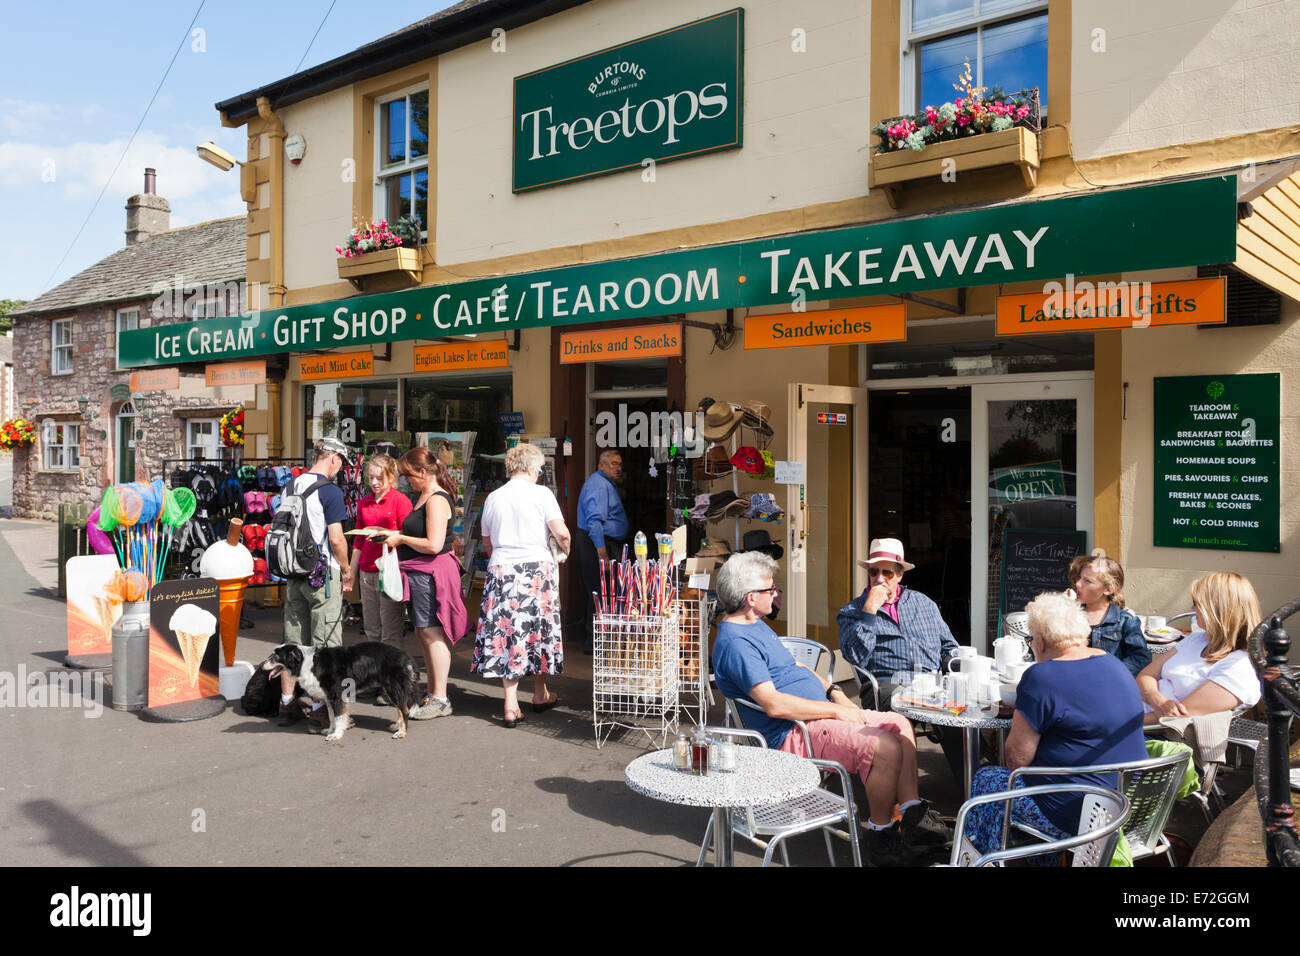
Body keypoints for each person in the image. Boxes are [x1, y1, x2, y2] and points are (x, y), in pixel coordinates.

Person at [712, 551, 950, 866]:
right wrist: (836, 712)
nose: (776, 594)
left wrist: (835, 692)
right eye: (771, 589)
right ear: (751, 598)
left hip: (817, 715)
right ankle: (881, 836)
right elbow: (774, 705)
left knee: (899, 725)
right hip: (792, 733)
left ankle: (912, 818)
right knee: (886, 746)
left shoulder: (754, 624)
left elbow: (794, 665)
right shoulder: (736, 644)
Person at [964, 591, 1147, 859]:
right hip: (1128, 807)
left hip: (1080, 817)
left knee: (989, 780)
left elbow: (1017, 759)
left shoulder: (1042, 676)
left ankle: (983, 859)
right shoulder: (1114, 664)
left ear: (1038, 641)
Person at [836, 537, 964, 782]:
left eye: (887, 572)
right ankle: (908, 800)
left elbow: (949, 646)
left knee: (961, 714)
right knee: (901, 710)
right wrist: (870, 610)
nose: (880, 578)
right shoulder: (853, 611)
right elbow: (856, 656)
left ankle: (974, 792)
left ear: (900, 575)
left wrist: (961, 667)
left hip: (932, 684)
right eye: (874, 571)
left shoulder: (923, 603)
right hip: (888, 685)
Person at [471, 443, 571, 726]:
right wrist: (566, 550)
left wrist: (502, 561)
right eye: (538, 468)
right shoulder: (542, 494)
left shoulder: (493, 497)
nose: (539, 473)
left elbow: (487, 541)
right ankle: (539, 693)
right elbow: (561, 533)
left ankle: (511, 702)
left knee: (508, 634)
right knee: (538, 631)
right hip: (536, 570)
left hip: (502, 569)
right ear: (529, 468)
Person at [380, 447, 467, 718]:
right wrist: (391, 534)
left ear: (423, 472)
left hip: (430, 573)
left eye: (409, 475)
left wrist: (401, 539)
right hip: (419, 573)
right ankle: (432, 693)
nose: (406, 481)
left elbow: (434, 544)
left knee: (431, 632)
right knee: (423, 632)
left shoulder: (436, 499)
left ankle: (440, 699)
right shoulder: (424, 496)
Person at [276, 436, 355, 733]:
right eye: (341, 464)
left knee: (294, 643)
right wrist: (346, 570)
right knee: (327, 646)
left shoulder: (289, 487)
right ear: (333, 459)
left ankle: (286, 702)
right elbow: (336, 538)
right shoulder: (330, 492)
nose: (340, 470)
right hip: (322, 576)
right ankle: (327, 711)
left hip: (293, 575)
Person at [1136, 571, 1263, 725]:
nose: (1192, 608)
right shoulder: (1197, 640)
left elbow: (1176, 720)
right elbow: (1145, 675)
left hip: (1151, 734)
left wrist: (1115, 725)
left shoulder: (1239, 667)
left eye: (1197, 603)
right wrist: (1158, 700)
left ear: (1218, 610)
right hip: (1133, 711)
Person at [348, 454, 412, 648]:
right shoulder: (364, 502)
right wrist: (351, 572)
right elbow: (358, 541)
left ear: (391, 477)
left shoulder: (400, 501)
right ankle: (373, 672)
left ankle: (392, 674)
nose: (374, 483)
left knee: (390, 629)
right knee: (371, 628)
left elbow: (409, 534)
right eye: (371, 478)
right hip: (367, 569)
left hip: (390, 569)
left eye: (379, 478)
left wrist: (388, 533)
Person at [574, 449, 627, 652]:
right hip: (596, 544)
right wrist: (602, 552)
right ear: (601, 465)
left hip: (599, 542)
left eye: (620, 464)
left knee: (600, 591)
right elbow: (594, 521)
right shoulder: (598, 485)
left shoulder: (605, 484)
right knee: (598, 592)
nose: (618, 468)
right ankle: (595, 643)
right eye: (614, 464)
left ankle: (598, 640)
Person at [1068, 553, 1150, 676]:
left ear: (1108, 589)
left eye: (1088, 581)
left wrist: (1111, 674)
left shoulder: (1125, 621)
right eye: (1079, 578)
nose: (1078, 584)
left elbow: (1140, 658)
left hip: (1107, 686)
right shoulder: (1069, 615)